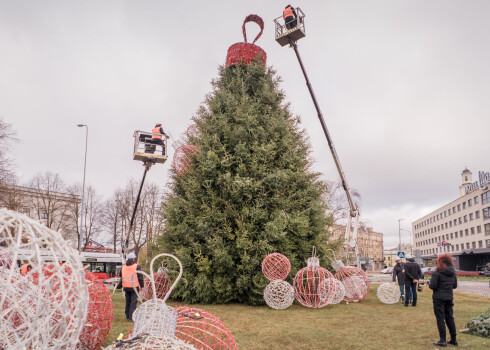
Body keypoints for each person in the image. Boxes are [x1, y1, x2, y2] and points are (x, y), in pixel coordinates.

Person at [429, 253, 458, 347]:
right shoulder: (452, 272)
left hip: (439, 299)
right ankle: (453, 339)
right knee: (450, 318)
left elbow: (433, 286)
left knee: (440, 319)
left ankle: (442, 340)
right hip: (449, 298)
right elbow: (454, 286)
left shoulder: (437, 272)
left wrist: (430, 282)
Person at [119, 252, 145, 322]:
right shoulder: (136, 266)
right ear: (134, 259)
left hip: (126, 287)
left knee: (128, 301)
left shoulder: (123, 267)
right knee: (133, 302)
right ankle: (131, 317)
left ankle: (127, 316)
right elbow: (140, 277)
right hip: (134, 287)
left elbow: (121, 276)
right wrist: (142, 286)